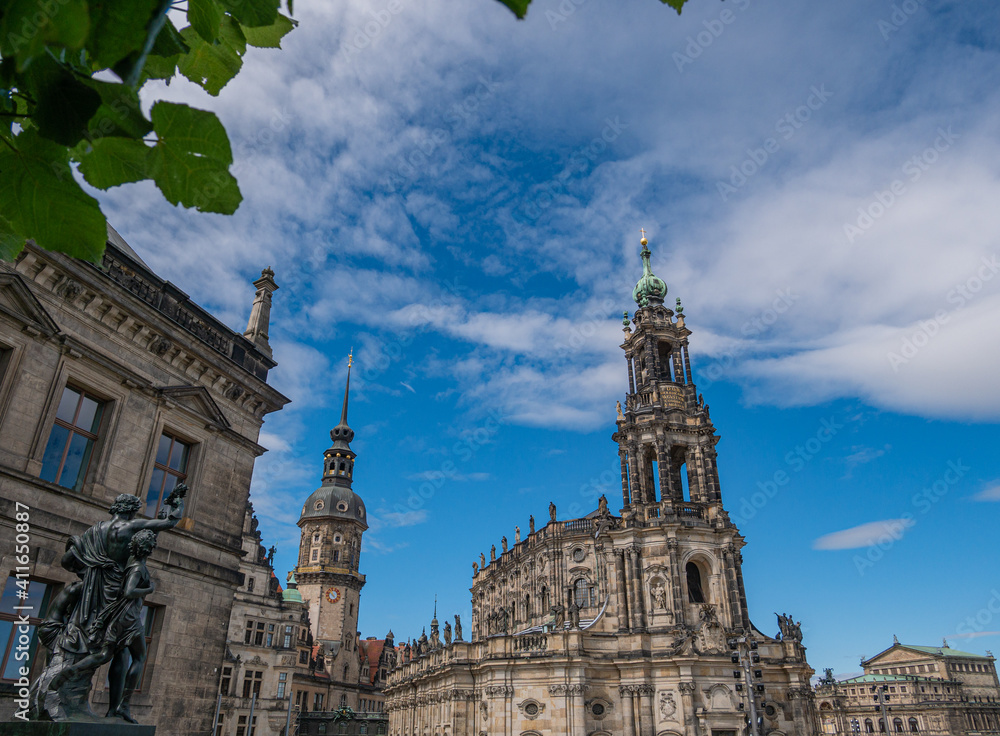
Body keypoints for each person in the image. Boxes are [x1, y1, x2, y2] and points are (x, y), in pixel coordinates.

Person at [50, 529, 158, 723]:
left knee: (104, 654)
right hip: (130, 618)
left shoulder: (129, 563)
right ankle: (123, 705)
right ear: (147, 549)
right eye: (151, 546)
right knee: (140, 657)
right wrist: (149, 589)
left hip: (117, 617)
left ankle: (71, 670)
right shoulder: (138, 567)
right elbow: (129, 591)